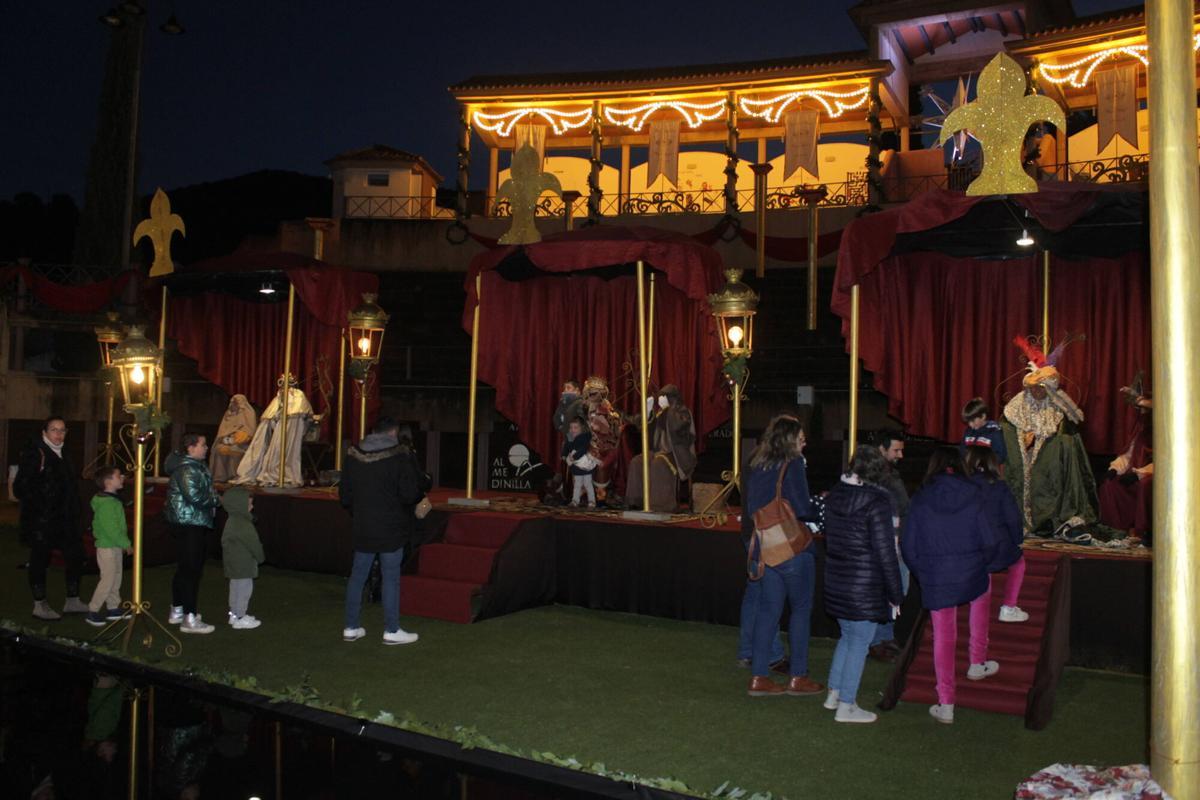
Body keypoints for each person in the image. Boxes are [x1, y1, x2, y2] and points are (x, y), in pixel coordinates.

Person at [902, 446, 999, 725]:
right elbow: (990, 540)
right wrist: (981, 563)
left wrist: (923, 572)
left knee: (943, 638)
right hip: (971, 570)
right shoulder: (975, 494)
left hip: (936, 575)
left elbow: (908, 545)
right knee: (983, 591)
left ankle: (946, 704)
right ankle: (977, 661)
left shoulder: (920, 498)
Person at [741, 414, 823, 698]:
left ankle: (759, 677)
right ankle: (798, 676)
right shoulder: (793, 463)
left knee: (768, 611)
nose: (804, 443)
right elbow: (801, 507)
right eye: (801, 438)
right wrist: (819, 508)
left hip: (766, 548)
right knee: (800, 610)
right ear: (790, 439)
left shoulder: (757, 463)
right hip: (791, 548)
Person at [822, 445, 905, 723]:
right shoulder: (878, 501)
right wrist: (895, 593)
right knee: (858, 643)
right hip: (865, 585)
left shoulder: (836, 494)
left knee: (848, 637)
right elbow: (886, 552)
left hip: (838, 579)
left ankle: (834, 694)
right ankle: (846, 705)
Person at [1002, 335, 1108, 539]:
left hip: (1049, 474)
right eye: (1033, 388)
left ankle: (1046, 521)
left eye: (1041, 388)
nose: (1037, 392)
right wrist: (1022, 441)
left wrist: (1042, 444)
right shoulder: (1015, 410)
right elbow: (1006, 437)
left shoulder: (1058, 416)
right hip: (1020, 468)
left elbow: (1068, 451)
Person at [340, 418, 431, 645]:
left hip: (363, 525)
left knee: (357, 576)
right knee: (391, 577)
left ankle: (351, 626)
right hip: (391, 527)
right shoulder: (399, 457)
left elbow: (345, 496)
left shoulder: (352, 456)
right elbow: (410, 494)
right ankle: (392, 629)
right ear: (394, 432)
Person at [13, 416, 89, 620]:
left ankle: (72, 600)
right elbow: (20, 488)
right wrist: (44, 502)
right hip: (42, 520)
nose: (59, 434)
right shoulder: (35, 454)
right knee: (40, 559)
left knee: (76, 556)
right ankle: (40, 604)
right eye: (54, 429)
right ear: (44, 432)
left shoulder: (65, 453)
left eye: (62, 430)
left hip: (66, 519)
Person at [965, 446, 1029, 622]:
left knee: (981, 581)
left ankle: (977, 624)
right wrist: (1018, 540)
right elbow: (1012, 518)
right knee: (1018, 561)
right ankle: (1009, 607)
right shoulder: (999, 487)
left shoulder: (962, 486)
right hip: (997, 544)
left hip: (969, 545)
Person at [164, 433, 220, 634]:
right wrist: (216, 499)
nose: (206, 448)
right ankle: (189, 617)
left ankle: (178, 610)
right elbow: (195, 496)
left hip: (188, 521)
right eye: (203, 444)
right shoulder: (188, 469)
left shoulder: (191, 466)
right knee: (191, 571)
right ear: (191, 448)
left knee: (185, 568)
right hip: (190, 522)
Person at [868, 428, 909, 662]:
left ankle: (884, 636)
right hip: (884, 542)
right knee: (889, 590)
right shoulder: (875, 476)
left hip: (894, 540)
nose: (900, 455)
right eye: (896, 450)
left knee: (896, 590)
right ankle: (877, 640)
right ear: (881, 449)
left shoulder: (889, 474)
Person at [625, 384, 697, 512]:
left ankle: (660, 505)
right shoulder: (660, 413)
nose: (661, 399)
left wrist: (668, 410)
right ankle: (637, 501)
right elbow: (650, 436)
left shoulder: (683, 412)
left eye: (665, 396)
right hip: (658, 452)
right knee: (638, 461)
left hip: (677, 454)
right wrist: (648, 414)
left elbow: (678, 430)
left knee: (659, 463)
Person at [1098, 375, 1153, 539]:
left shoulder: (1165, 432)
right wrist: (1114, 469)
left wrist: (1139, 474)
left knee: (1145, 485)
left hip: (1152, 477)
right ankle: (1115, 529)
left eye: (1145, 409)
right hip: (1135, 473)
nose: (1142, 413)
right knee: (1110, 485)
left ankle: (1141, 531)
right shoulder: (1141, 432)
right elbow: (1128, 456)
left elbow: (1166, 463)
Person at [234, 374, 314, 487]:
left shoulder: (297, 395)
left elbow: (302, 413)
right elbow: (273, 415)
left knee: (285, 452)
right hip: (279, 428)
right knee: (273, 450)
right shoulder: (279, 396)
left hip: (292, 429)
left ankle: (283, 475)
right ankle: (270, 474)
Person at [84, 467, 132, 627]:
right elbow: (111, 528)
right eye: (118, 476)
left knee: (116, 577)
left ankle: (113, 607)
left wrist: (121, 543)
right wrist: (125, 543)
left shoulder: (112, 500)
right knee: (108, 579)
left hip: (114, 546)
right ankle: (93, 610)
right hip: (107, 547)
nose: (122, 477)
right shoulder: (106, 504)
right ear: (108, 482)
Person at [220, 486, 264, 630]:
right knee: (244, 591)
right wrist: (260, 557)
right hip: (244, 564)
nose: (252, 507)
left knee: (235, 589)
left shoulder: (232, 520)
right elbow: (254, 543)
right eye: (249, 504)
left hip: (233, 563)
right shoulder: (243, 524)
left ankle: (233, 614)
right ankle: (240, 617)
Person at [581, 376, 624, 505]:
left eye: (595, 393)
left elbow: (612, 433)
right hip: (590, 445)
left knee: (601, 463)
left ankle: (601, 495)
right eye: (591, 393)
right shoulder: (583, 409)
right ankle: (584, 494)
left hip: (607, 447)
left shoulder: (609, 412)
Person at [209, 394, 257, 483]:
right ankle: (220, 477)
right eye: (231, 402)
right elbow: (222, 433)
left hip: (244, 446)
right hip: (228, 442)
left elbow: (250, 434)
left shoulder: (248, 414)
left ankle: (235, 476)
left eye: (235, 402)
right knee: (219, 449)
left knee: (234, 450)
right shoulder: (228, 415)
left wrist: (239, 439)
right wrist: (225, 440)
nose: (233, 404)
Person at [961, 397, 1008, 468]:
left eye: (973, 421)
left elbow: (1001, 456)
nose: (970, 424)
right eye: (968, 422)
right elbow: (962, 451)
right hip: (970, 469)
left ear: (983, 416)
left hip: (987, 470)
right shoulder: (968, 431)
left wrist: (983, 464)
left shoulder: (994, 432)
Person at [562, 418, 597, 508]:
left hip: (585, 465)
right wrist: (564, 454)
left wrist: (575, 456)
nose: (572, 430)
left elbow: (583, 449)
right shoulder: (570, 437)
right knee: (577, 483)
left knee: (588, 483)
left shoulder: (585, 438)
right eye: (571, 427)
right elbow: (566, 446)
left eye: (575, 428)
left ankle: (592, 501)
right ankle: (575, 501)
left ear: (582, 428)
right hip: (576, 466)